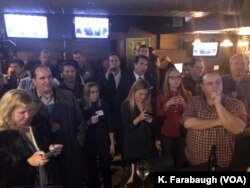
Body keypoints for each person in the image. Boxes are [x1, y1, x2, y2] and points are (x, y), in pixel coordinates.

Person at [30, 64, 84, 188]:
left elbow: (80, 123)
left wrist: (77, 144)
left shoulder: (68, 96)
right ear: (33, 81)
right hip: (44, 157)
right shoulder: (28, 101)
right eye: (42, 78)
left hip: (70, 152)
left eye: (49, 77)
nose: (47, 81)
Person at [182, 71, 247, 168]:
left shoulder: (235, 104)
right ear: (202, 87)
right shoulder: (193, 101)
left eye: (218, 82)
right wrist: (221, 121)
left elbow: (237, 129)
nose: (215, 86)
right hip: (195, 159)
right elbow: (188, 123)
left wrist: (218, 104)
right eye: (210, 83)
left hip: (223, 161)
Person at [0, 89, 63, 188]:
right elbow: (4, 176)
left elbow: (40, 151)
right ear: (8, 112)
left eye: (30, 110)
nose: (28, 116)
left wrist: (51, 150)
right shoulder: (3, 137)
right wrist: (28, 164)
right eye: (22, 112)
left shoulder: (37, 125)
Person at [80, 82, 114, 188]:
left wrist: (112, 142)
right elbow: (79, 126)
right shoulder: (82, 106)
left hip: (103, 140)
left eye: (97, 91)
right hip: (89, 141)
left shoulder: (103, 105)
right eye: (92, 92)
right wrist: (89, 122)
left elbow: (109, 124)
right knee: (92, 169)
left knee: (106, 167)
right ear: (87, 93)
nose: (95, 94)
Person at [156, 68, 192, 168]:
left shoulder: (187, 94)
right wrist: (167, 104)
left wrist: (185, 105)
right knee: (167, 161)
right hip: (167, 133)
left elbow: (192, 115)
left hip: (182, 133)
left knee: (180, 160)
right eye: (172, 77)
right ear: (167, 80)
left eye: (178, 77)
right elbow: (158, 114)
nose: (176, 80)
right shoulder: (162, 94)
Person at [98, 53, 127, 154]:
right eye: (112, 61)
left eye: (116, 60)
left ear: (119, 62)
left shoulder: (126, 74)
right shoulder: (103, 75)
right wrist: (107, 75)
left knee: (121, 134)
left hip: (122, 109)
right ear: (108, 63)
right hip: (109, 110)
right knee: (109, 133)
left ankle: (122, 155)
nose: (114, 63)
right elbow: (99, 89)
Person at [222, 53, 250, 125]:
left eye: (243, 64)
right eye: (236, 63)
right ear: (230, 66)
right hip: (226, 123)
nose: (239, 66)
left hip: (247, 124)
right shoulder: (220, 81)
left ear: (247, 66)